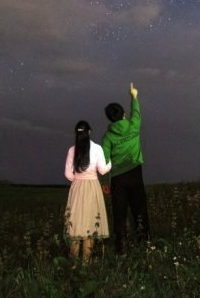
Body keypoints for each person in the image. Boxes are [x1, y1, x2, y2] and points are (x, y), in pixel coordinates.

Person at [101, 82, 150, 254]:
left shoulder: (107, 137)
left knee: (119, 214)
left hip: (117, 179)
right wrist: (134, 96)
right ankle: (144, 244)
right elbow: (136, 113)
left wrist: (103, 182)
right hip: (135, 174)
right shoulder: (133, 126)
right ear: (123, 114)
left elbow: (104, 162)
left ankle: (121, 250)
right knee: (139, 210)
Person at [64, 120, 112, 260]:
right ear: (89, 132)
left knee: (75, 223)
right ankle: (86, 264)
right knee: (90, 223)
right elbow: (103, 170)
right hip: (92, 187)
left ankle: (73, 263)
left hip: (77, 188)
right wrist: (110, 162)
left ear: (75, 133)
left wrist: (78, 178)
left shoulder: (72, 150)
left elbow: (68, 174)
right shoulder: (97, 149)